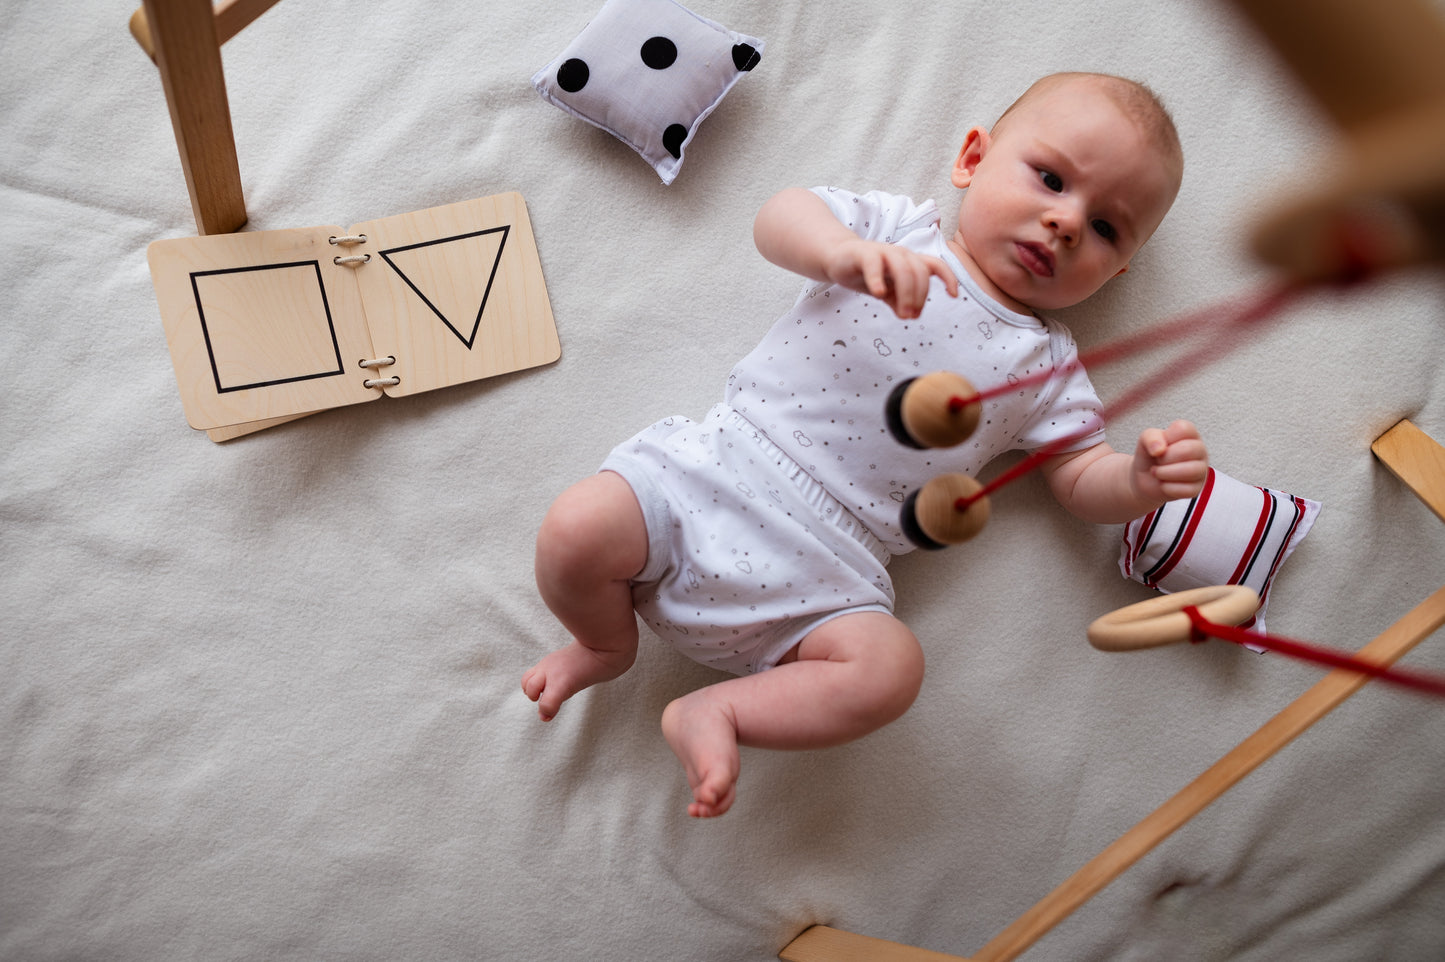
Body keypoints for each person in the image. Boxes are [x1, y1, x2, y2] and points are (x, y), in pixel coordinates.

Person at [523, 72, 1205, 818]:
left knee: (892, 672)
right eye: (1049, 179)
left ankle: (718, 712)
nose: (1066, 223)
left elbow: (1079, 480)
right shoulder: (897, 233)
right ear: (972, 159)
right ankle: (601, 644)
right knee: (577, 526)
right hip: (713, 474)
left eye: (1106, 229)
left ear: (1119, 269)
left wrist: (1135, 483)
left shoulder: (1048, 367)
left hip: (829, 573)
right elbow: (779, 216)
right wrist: (837, 254)